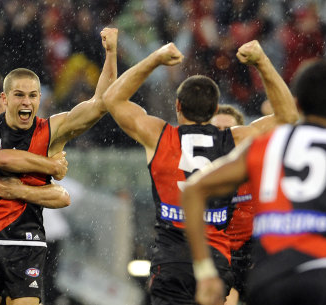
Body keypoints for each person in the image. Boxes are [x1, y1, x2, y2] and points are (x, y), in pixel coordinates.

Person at [102, 40, 297, 305]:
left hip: (172, 259)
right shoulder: (235, 140)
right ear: (215, 110)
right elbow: (288, 117)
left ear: (178, 106)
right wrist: (261, 61)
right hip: (215, 257)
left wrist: (156, 58)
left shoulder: (159, 136)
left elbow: (112, 98)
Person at [181, 59, 326, 305]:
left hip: (271, 279)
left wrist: (205, 274)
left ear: (297, 103)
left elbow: (192, 191)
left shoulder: (262, 146)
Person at [0, 27, 118, 305]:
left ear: (41, 98)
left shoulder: (50, 131)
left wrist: (111, 53)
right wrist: (50, 166)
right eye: (19, 95)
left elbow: (100, 103)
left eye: (32, 95)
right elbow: (4, 158)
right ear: (4, 100)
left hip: (27, 243)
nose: (26, 102)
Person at [210, 105, 251, 305]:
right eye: (216, 130)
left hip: (253, 253)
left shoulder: (257, 169)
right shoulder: (194, 174)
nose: (223, 138)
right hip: (216, 255)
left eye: (230, 132)